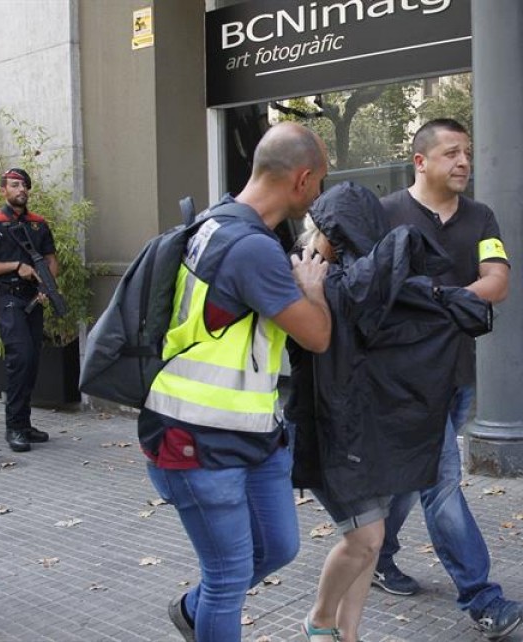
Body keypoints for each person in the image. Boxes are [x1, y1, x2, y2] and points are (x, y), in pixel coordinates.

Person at [140, 121, 332, 642]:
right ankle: (205, 611)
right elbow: (316, 336)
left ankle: (192, 610)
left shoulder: (215, 221)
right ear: (302, 178)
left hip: (250, 432)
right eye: (320, 184)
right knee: (227, 577)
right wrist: (313, 285)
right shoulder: (251, 248)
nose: (318, 196)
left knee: (279, 546)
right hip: (196, 439)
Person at [288, 182, 493, 642]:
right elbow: (313, 343)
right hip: (328, 431)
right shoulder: (303, 275)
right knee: (366, 539)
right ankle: (320, 621)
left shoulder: (368, 281)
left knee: (369, 541)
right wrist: (314, 294)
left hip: (363, 429)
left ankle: (349, 633)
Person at [375, 119, 523, 640]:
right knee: (441, 482)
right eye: (451, 153)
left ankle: (375, 554)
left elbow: (499, 282)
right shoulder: (386, 215)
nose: (464, 162)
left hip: (458, 372)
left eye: (467, 152)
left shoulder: (481, 217)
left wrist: (436, 298)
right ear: (421, 161)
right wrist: (456, 299)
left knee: (407, 480)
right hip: (402, 380)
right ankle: (483, 599)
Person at [0, 168, 57, 453]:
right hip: (8, 299)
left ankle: (25, 423)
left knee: (32, 361)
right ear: (3, 191)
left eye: (25, 185)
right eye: (15, 184)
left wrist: (47, 286)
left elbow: (50, 260)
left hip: (34, 299)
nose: (21, 189)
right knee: (20, 358)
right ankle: (15, 427)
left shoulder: (38, 224)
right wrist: (15, 267)